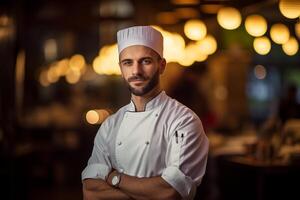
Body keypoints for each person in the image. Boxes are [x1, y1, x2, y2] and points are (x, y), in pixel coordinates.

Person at [81, 26, 209, 200]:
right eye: (128, 63)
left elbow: (170, 192)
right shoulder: (110, 125)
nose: (136, 71)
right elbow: (91, 191)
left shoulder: (184, 121)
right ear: (120, 68)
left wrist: (114, 177)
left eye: (146, 61)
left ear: (162, 65)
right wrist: (148, 193)